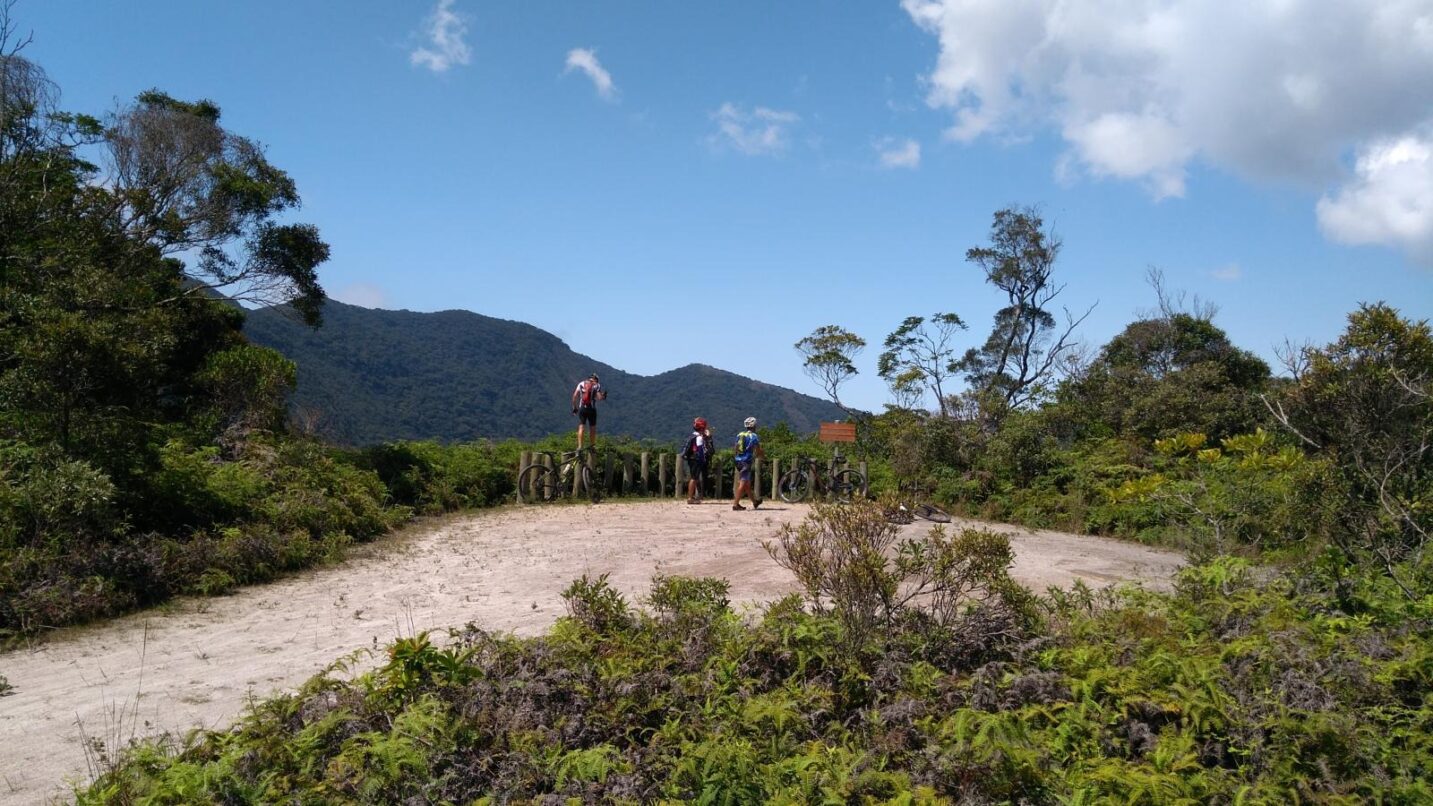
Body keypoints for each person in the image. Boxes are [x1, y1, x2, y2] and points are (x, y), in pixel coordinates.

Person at [732, 416, 765, 510]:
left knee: (747, 483)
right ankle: (735, 504)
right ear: (754, 426)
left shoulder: (740, 434)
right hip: (746, 462)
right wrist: (762, 456)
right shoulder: (754, 436)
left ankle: (755, 502)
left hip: (738, 461)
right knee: (743, 483)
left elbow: (735, 447)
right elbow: (758, 450)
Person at [571, 373, 606, 450]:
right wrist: (603, 396)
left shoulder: (581, 383)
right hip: (592, 409)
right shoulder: (597, 385)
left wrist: (575, 407)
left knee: (581, 426)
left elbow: (574, 396)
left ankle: (580, 446)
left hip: (582, 408)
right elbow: (599, 398)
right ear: (596, 379)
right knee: (592, 427)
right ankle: (592, 446)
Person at [681, 417, 713, 504]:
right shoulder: (699, 438)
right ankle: (690, 498)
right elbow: (701, 450)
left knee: (694, 478)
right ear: (702, 428)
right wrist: (708, 438)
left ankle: (692, 497)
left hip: (691, 459)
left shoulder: (692, 436)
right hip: (696, 460)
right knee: (694, 478)